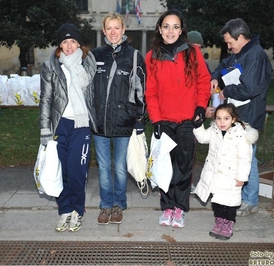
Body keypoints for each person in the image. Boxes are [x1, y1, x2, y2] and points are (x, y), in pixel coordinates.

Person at [145, 9, 211, 228]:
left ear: (181, 30)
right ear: (160, 29)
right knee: (165, 168)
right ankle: (167, 207)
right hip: (164, 121)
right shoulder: (151, 56)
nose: (170, 31)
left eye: (175, 26)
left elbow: (203, 81)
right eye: (166, 26)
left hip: (185, 121)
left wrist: (201, 107)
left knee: (183, 167)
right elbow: (151, 92)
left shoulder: (192, 52)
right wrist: (155, 120)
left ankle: (179, 209)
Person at [210, 18, 273, 217]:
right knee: (241, 157)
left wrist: (227, 90)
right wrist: (215, 76)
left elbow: (250, 88)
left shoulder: (255, 56)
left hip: (249, 116)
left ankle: (250, 200)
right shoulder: (241, 54)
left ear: (242, 37)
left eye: (230, 42)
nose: (228, 47)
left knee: (248, 159)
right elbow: (223, 66)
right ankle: (245, 197)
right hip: (240, 115)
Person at [39, 23, 97, 232]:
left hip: (81, 125)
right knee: (60, 170)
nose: (69, 46)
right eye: (65, 41)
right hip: (59, 125)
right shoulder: (51, 67)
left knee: (76, 171)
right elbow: (45, 99)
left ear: (80, 44)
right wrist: (44, 128)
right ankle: (64, 209)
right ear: (60, 45)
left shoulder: (89, 66)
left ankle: (77, 211)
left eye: (73, 41)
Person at [91, 12, 146, 225]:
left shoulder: (133, 56)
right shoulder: (95, 56)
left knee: (121, 166)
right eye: (109, 28)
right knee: (104, 167)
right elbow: (88, 88)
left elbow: (141, 89)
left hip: (125, 121)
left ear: (124, 30)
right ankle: (105, 204)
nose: (113, 32)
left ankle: (119, 204)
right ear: (104, 31)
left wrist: (140, 119)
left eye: (117, 28)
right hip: (100, 122)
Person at [193, 103, 258, 240]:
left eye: (226, 118)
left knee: (229, 203)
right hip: (215, 174)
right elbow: (202, 138)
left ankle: (228, 224)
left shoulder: (241, 136)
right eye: (218, 118)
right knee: (217, 202)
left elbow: (245, 159)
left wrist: (241, 177)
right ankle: (219, 222)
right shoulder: (213, 131)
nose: (222, 122)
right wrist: (198, 125)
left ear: (233, 119)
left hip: (231, 177)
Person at [187, 30, 215, 195]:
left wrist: (204, 108)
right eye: (194, 46)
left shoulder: (201, 63)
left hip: (197, 113)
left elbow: (205, 87)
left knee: (191, 151)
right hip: (184, 113)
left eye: (199, 47)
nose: (197, 50)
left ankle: (188, 182)